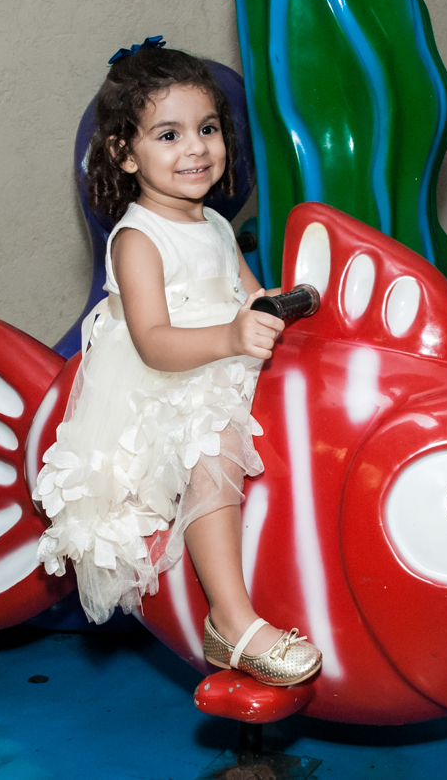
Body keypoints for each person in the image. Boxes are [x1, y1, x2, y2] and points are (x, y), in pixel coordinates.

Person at [34, 39, 321, 687]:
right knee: (213, 442)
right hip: (167, 384)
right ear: (125, 153)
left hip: (225, 359)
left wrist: (291, 308)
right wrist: (231, 337)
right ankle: (233, 616)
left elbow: (251, 297)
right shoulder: (138, 237)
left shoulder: (217, 227)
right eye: (170, 134)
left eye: (208, 129)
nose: (196, 148)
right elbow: (153, 340)